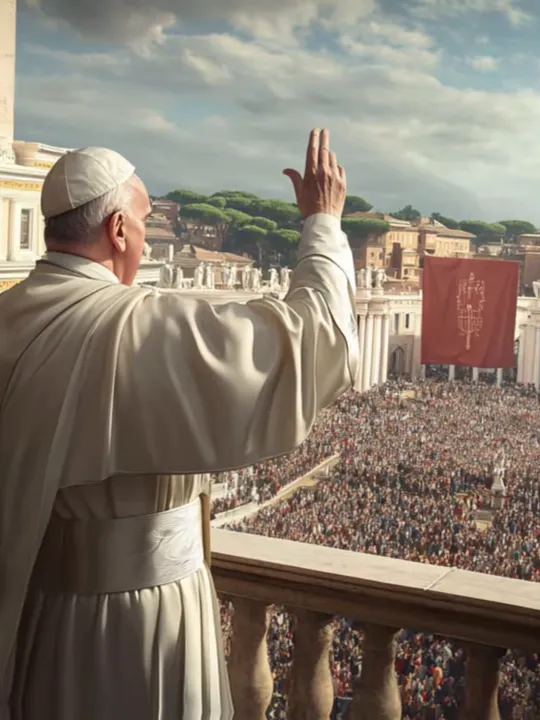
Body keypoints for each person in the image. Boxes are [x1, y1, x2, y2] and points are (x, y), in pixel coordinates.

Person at [0, 129, 358, 720]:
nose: (147, 238)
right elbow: (314, 344)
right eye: (146, 222)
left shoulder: (10, 316)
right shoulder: (135, 328)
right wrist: (322, 224)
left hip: (41, 615)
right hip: (144, 620)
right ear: (118, 230)